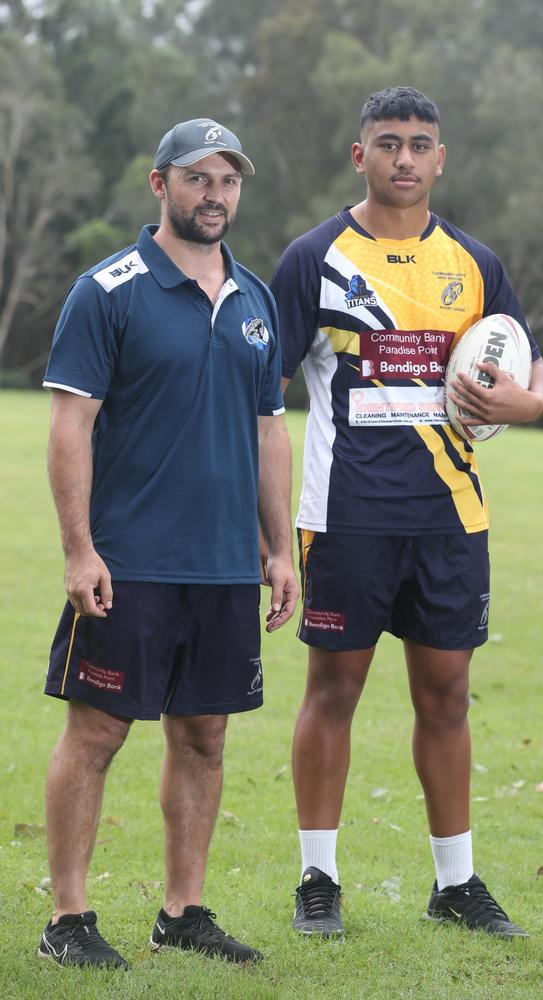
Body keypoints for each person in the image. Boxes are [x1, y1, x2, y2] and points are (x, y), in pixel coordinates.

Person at [270, 87, 543, 939]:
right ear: (359, 155)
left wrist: (522, 404)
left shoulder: (474, 264)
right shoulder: (314, 258)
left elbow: (535, 378)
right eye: (387, 142)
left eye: (419, 143)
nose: (404, 157)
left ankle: (455, 885)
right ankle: (317, 878)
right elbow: (264, 396)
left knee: (448, 696)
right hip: (346, 513)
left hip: (450, 516)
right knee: (334, 690)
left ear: (441, 159)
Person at [39, 118, 298, 969]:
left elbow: (269, 432)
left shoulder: (256, 300)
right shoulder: (107, 290)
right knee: (99, 735)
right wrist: (81, 550)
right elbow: (70, 428)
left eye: (228, 180)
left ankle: (182, 911)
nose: (214, 194)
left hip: (224, 567)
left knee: (205, 738)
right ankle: (68, 922)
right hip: (131, 562)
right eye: (197, 179)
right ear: (161, 185)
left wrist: (279, 548)